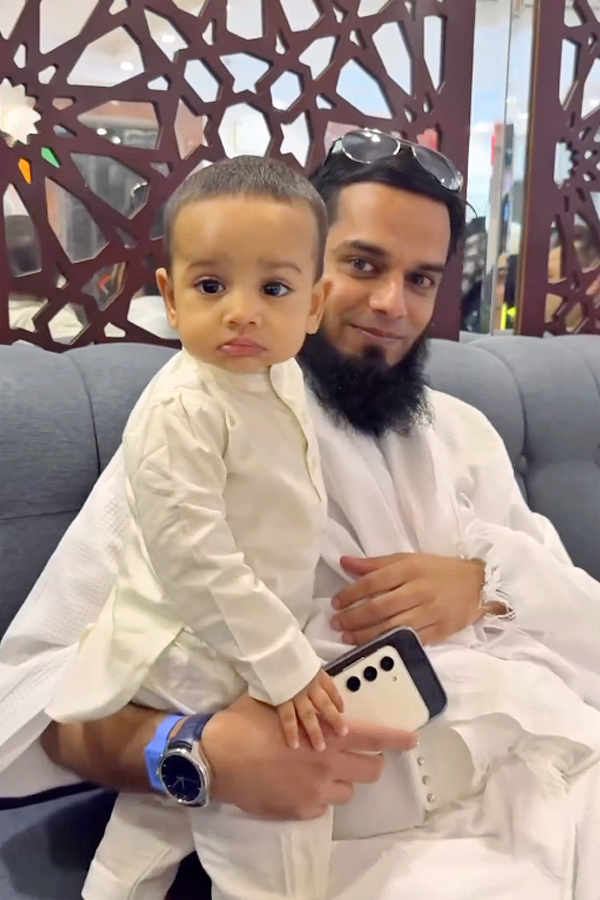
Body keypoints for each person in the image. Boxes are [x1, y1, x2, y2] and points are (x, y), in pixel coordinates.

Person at [2, 130, 600, 900]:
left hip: (546, 779)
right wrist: (201, 750)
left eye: (420, 278)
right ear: (308, 270)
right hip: (369, 850)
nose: (392, 305)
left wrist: (485, 587)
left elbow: (580, 620)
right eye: (364, 265)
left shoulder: (462, 434)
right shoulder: (199, 429)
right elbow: (41, 697)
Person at [47, 155, 354, 900]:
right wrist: (283, 663)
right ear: (171, 298)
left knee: (158, 817)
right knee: (273, 843)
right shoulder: (182, 408)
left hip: (244, 632)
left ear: (314, 304)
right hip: (196, 641)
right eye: (212, 286)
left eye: (273, 289)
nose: (241, 311)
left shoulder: (281, 377)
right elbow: (195, 560)